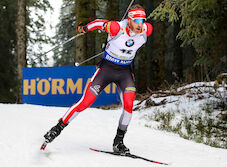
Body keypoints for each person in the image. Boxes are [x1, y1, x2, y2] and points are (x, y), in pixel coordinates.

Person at [43, 4, 153, 155]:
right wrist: (84, 28)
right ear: (129, 19)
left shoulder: (147, 30)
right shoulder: (117, 28)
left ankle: (118, 142)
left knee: (128, 106)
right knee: (85, 102)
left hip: (125, 72)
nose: (140, 25)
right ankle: (57, 129)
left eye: (142, 20)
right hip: (107, 69)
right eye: (137, 21)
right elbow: (98, 23)